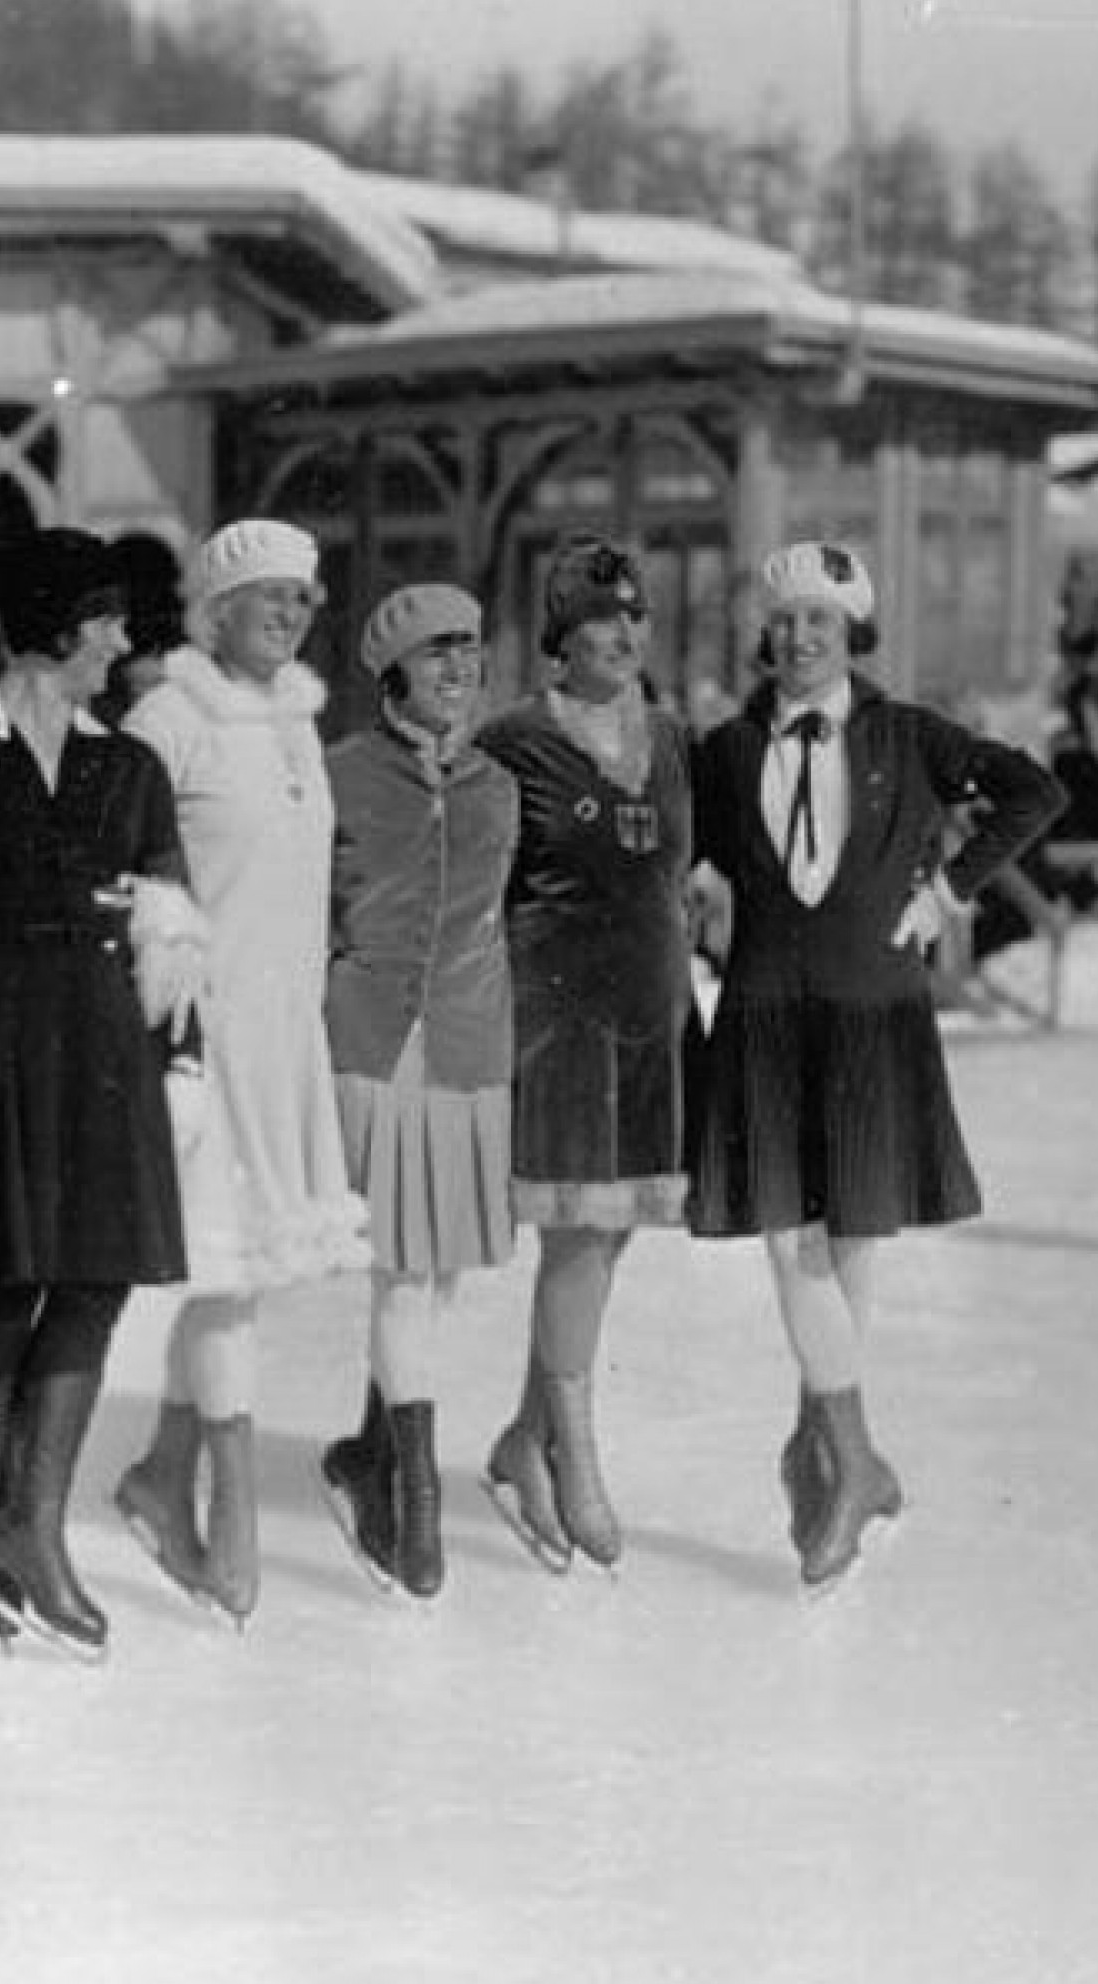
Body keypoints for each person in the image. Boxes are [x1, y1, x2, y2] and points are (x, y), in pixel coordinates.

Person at [686, 542, 1064, 1587]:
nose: (798, 636)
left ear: (850, 629)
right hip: (762, 1012)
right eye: (783, 620)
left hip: (869, 1012)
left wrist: (948, 888)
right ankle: (853, 1458)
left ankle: (831, 1453)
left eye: (819, 619)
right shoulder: (722, 750)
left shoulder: (905, 734)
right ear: (765, 633)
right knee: (783, 1240)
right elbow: (674, 847)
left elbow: (1030, 793)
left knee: (850, 1241)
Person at [0, 528, 202, 1659]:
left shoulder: (128, 765)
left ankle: (28, 1527)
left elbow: (170, 905)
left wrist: (164, 932)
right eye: (109, 620)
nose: (124, 643)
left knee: (92, 1276)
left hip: (99, 1041)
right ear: (60, 625)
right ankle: (8, 1530)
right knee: (2, 1275)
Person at [113, 518, 368, 1626]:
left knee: (243, 1268)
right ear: (213, 607)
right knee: (221, 1269)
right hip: (201, 1035)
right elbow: (123, 877)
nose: (289, 612)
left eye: (303, 598)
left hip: (284, 1037)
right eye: (266, 594)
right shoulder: (165, 720)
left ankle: (160, 1475)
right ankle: (232, 1514)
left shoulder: (299, 719)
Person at [475, 534, 692, 1575]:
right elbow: (471, 877)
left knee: (605, 1241)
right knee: (578, 1237)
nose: (619, 633)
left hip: (649, 1018)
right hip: (554, 1021)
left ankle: (523, 1439)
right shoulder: (512, 740)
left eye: (631, 615)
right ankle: (573, 1451)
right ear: (558, 634)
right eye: (595, 618)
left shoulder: (673, 735)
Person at [319, 584, 519, 1599]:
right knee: (402, 1271)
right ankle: (415, 1499)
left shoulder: (495, 785)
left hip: (469, 1049)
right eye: (436, 652)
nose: (457, 668)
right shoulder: (340, 774)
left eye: (469, 651)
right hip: (372, 1047)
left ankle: (366, 1449)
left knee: (431, 1273)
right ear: (391, 669)